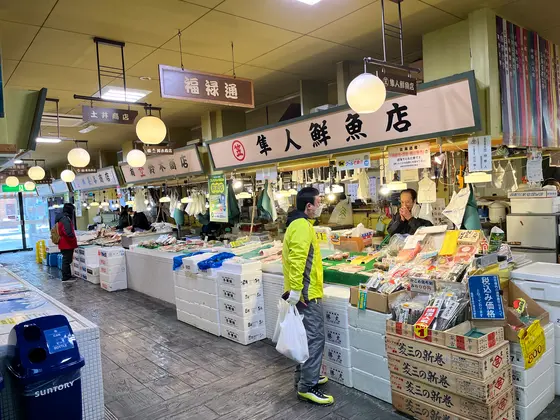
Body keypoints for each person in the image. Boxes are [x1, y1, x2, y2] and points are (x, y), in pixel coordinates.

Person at [282, 187, 333, 406]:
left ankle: (305, 376)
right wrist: (296, 290)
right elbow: (298, 260)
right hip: (306, 293)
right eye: (319, 202)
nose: (321, 205)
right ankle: (307, 386)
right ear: (308, 206)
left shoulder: (298, 224)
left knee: (305, 338)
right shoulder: (302, 226)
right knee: (314, 338)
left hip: (303, 292)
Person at [56, 203, 78, 283]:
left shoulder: (62, 218)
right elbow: (68, 232)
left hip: (63, 243)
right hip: (67, 244)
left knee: (67, 260)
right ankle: (66, 277)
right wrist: (73, 240)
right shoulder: (65, 219)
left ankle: (67, 275)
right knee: (66, 260)